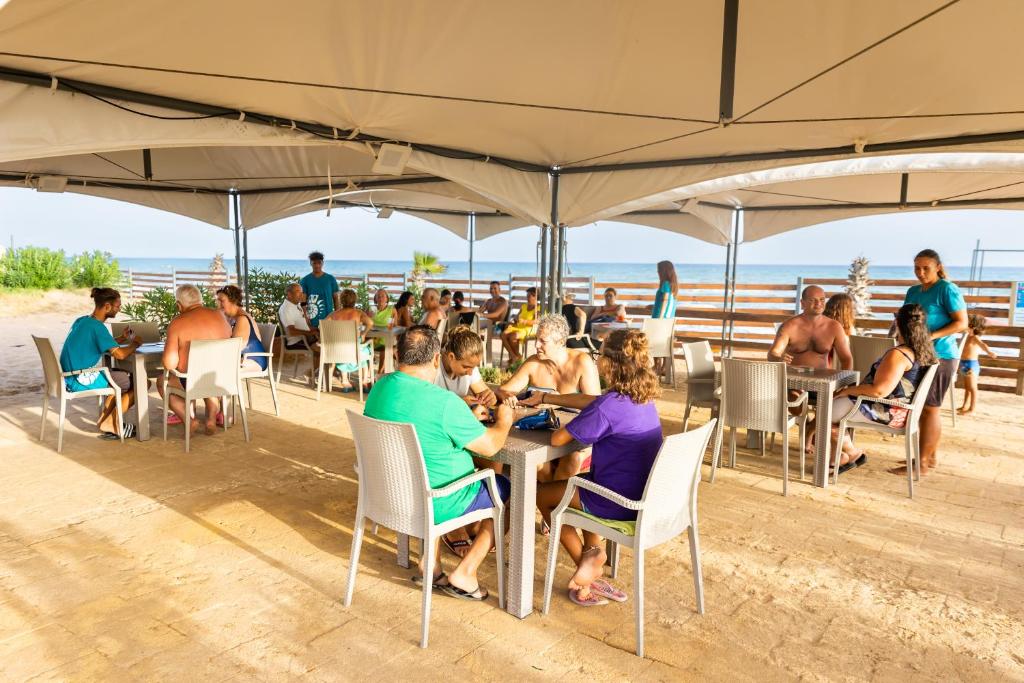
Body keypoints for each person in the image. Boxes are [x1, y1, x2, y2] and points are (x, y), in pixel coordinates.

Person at [364, 326, 515, 601]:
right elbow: (492, 445)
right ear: (437, 359)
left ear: (399, 354)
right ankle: (465, 572)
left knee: (427, 468)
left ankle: (430, 566)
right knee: (505, 487)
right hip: (437, 501)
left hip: (390, 496)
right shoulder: (444, 403)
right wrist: (505, 419)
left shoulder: (379, 388)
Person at [533, 329, 662, 606]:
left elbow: (558, 439)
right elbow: (591, 401)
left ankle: (587, 569)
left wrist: (572, 418)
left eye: (599, 355)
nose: (597, 360)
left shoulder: (607, 407)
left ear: (610, 364)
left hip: (616, 501)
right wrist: (546, 398)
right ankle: (592, 556)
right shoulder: (643, 398)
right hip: (640, 495)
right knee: (583, 480)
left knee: (542, 496)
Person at [812, 304, 936, 474]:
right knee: (835, 408)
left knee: (824, 411)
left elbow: (879, 391)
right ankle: (842, 458)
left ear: (898, 324)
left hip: (886, 410)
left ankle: (848, 455)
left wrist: (847, 391)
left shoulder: (899, 354)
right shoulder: (924, 351)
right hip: (901, 411)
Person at [497, 314, 602, 480]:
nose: (536, 345)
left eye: (543, 341)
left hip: (575, 435)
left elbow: (596, 406)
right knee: (536, 463)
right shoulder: (534, 363)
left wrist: (554, 401)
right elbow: (503, 390)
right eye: (536, 339)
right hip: (542, 434)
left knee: (572, 459)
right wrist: (509, 396)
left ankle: (550, 502)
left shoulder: (582, 362)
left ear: (560, 341)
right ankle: (541, 501)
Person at [896, 249, 967, 476]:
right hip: (917, 354)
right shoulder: (913, 291)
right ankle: (931, 457)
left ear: (938, 267)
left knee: (930, 408)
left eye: (926, 267)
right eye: (917, 267)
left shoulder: (947, 289)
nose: (920, 272)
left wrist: (930, 336)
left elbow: (961, 323)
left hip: (942, 355)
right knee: (919, 406)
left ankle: (922, 464)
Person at [434, 325, 501, 558]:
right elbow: (436, 410)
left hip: (458, 430)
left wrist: (489, 396)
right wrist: (463, 404)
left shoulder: (468, 368)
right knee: (484, 458)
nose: (469, 372)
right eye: (465, 367)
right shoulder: (432, 371)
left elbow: (482, 391)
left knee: (495, 463)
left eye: (473, 368)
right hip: (441, 441)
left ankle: (479, 523)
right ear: (449, 356)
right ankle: (455, 526)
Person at [59, 287, 142, 439]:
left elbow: (99, 343)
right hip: (80, 379)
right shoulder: (98, 327)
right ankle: (112, 422)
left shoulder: (83, 321)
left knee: (118, 381)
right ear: (107, 306)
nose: (119, 309)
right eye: (117, 306)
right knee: (141, 383)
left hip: (69, 376)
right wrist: (136, 344)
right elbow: (121, 355)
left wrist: (122, 338)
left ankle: (107, 421)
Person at [159, 284, 232, 436]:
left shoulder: (178, 323)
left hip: (192, 381)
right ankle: (211, 418)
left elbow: (169, 363)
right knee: (208, 382)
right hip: (220, 379)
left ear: (179, 305)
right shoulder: (221, 316)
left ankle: (188, 419)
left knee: (161, 382)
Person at [768, 285, 853, 371]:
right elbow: (772, 354)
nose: (818, 303)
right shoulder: (789, 326)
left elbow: (846, 359)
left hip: (822, 380)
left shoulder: (834, 327)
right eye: (812, 300)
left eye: (822, 300)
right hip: (793, 379)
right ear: (802, 303)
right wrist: (779, 359)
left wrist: (845, 382)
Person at [325, 289, 376, 392]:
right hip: (355, 350)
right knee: (364, 353)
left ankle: (345, 382)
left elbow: (322, 326)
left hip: (338, 351)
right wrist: (364, 333)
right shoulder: (358, 313)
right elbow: (370, 322)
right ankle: (364, 381)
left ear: (341, 301)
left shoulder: (334, 314)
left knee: (343, 352)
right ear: (354, 301)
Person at [216, 285, 267, 373]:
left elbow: (235, 348)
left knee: (212, 367)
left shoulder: (242, 319)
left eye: (222, 301)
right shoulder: (232, 318)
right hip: (243, 359)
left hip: (253, 361)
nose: (218, 304)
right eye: (218, 301)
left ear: (233, 301)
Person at [958, 313, 994, 415]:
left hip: (971, 365)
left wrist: (989, 352)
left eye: (966, 324)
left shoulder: (975, 337)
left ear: (972, 326)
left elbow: (983, 345)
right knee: (967, 387)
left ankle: (972, 409)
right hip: (964, 364)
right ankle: (964, 405)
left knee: (973, 388)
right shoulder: (966, 337)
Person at [300, 251, 340, 328]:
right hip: (312, 318)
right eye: (314, 263)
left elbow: (336, 299)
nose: (317, 265)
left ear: (322, 263)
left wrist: (337, 315)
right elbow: (303, 302)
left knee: (329, 338)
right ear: (310, 263)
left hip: (329, 317)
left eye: (319, 262)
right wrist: (306, 317)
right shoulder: (304, 280)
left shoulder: (330, 279)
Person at [501, 286, 539, 364]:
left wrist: (525, 321)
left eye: (529, 296)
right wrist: (515, 319)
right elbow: (518, 316)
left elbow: (537, 321)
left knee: (512, 336)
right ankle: (515, 356)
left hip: (529, 329)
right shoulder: (524, 306)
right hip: (519, 327)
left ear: (535, 297)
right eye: (527, 296)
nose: (527, 298)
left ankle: (515, 358)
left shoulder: (538, 308)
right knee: (503, 334)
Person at [278, 283, 319, 352]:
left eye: (301, 292)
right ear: (289, 294)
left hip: (307, 338)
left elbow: (308, 325)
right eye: (298, 292)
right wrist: (310, 333)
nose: (301, 294)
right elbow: (290, 331)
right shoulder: (286, 309)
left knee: (329, 339)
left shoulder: (296, 305)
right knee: (323, 349)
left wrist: (317, 330)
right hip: (297, 341)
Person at [370, 288, 397, 375]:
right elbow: (365, 323)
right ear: (375, 299)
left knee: (385, 346)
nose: (380, 298)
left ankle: (380, 372)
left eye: (382, 296)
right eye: (378, 296)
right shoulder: (372, 309)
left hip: (386, 338)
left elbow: (394, 325)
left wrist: (391, 324)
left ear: (387, 298)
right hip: (372, 338)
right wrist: (370, 316)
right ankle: (368, 374)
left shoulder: (391, 310)